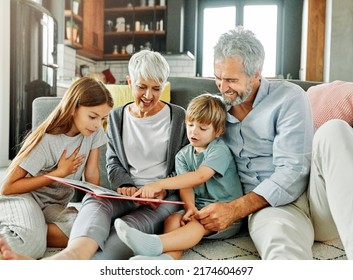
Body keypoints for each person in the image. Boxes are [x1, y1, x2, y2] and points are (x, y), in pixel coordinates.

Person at [0, 49, 188, 260]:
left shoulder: (178, 117)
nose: (149, 95)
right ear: (129, 82)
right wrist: (123, 185)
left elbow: (185, 165)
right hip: (32, 198)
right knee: (87, 216)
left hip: (159, 198)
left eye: (157, 88)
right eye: (142, 87)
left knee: (105, 230)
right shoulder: (115, 117)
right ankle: (57, 249)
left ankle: (64, 259)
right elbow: (114, 162)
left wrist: (161, 188)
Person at [192, 26, 316, 259]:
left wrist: (235, 209)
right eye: (217, 78)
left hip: (314, 195)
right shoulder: (216, 111)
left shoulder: (289, 97)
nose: (222, 87)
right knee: (281, 247)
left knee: (336, 131)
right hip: (269, 207)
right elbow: (193, 153)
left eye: (231, 80)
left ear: (256, 73)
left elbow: (293, 171)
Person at [114, 93, 243, 260]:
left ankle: (155, 243)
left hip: (225, 214)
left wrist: (160, 184)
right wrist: (189, 206)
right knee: (173, 219)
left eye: (202, 128)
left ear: (218, 131)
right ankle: (166, 260)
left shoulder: (219, 149)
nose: (194, 132)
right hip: (199, 207)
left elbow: (199, 176)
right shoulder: (182, 155)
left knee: (200, 223)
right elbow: (186, 186)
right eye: (190, 125)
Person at [0, 77, 113, 259]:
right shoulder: (47, 139)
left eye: (103, 119)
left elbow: (91, 174)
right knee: (31, 246)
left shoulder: (93, 132)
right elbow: (8, 187)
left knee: (93, 230)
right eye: (93, 116)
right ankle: (25, 229)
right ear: (73, 108)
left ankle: (28, 228)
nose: (97, 124)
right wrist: (58, 174)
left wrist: (96, 204)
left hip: (51, 206)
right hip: (22, 198)